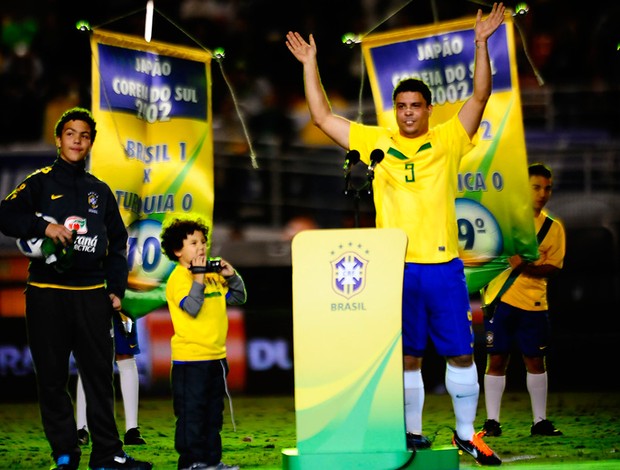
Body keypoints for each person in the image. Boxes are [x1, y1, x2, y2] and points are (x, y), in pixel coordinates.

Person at [286, 3, 505, 466]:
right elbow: (323, 117)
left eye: (415, 107)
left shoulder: (448, 140)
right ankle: (411, 432)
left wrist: (482, 44)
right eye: (401, 106)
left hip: (445, 267)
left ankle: (468, 434)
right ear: (396, 110)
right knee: (406, 358)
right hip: (395, 271)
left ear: (428, 110)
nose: (407, 113)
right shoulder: (376, 141)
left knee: (460, 356)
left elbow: (481, 96)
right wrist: (311, 65)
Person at [0, 107, 152, 470]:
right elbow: (5, 216)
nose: (77, 140)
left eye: (84, 135)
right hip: (46, 293)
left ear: (90, 143)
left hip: (90, 295)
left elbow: (118, 243)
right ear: (58, 139)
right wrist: (42, 227)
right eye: (71, 133)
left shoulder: (99, 191)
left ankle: (107, 455)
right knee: (52, 380)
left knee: (99, 378)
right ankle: (65, 454)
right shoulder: (39, 183)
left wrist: (115, 289)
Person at [481, 163, 565, 438]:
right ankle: (492, 422)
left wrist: (522, 266)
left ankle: (540, 421)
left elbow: (553, 267)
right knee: (496, 360)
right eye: (536, 187)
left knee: (535, 361)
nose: (542, 193)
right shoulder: (502, 222)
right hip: (500, 300)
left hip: (534, 304)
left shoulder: (554, 228)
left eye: (547, 188)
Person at [160, 217, 247, 470]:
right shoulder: (178, 278)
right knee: (192, 415)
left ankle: (211, 461)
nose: (201, 247)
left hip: (216, 358)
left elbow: (239, 298)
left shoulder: (212, 275)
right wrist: (198, 278)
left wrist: (232, 277)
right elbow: (192, 308)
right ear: (177, 251)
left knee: (212, 415)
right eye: (193, 242)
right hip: (190, 361)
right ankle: (191, 463)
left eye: (203, 241)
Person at [76, 312, 147, 447]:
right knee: (88, 358)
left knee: (125, 354)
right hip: (90, 297)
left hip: (121, 303)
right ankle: (82, 428)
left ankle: (132, 429)